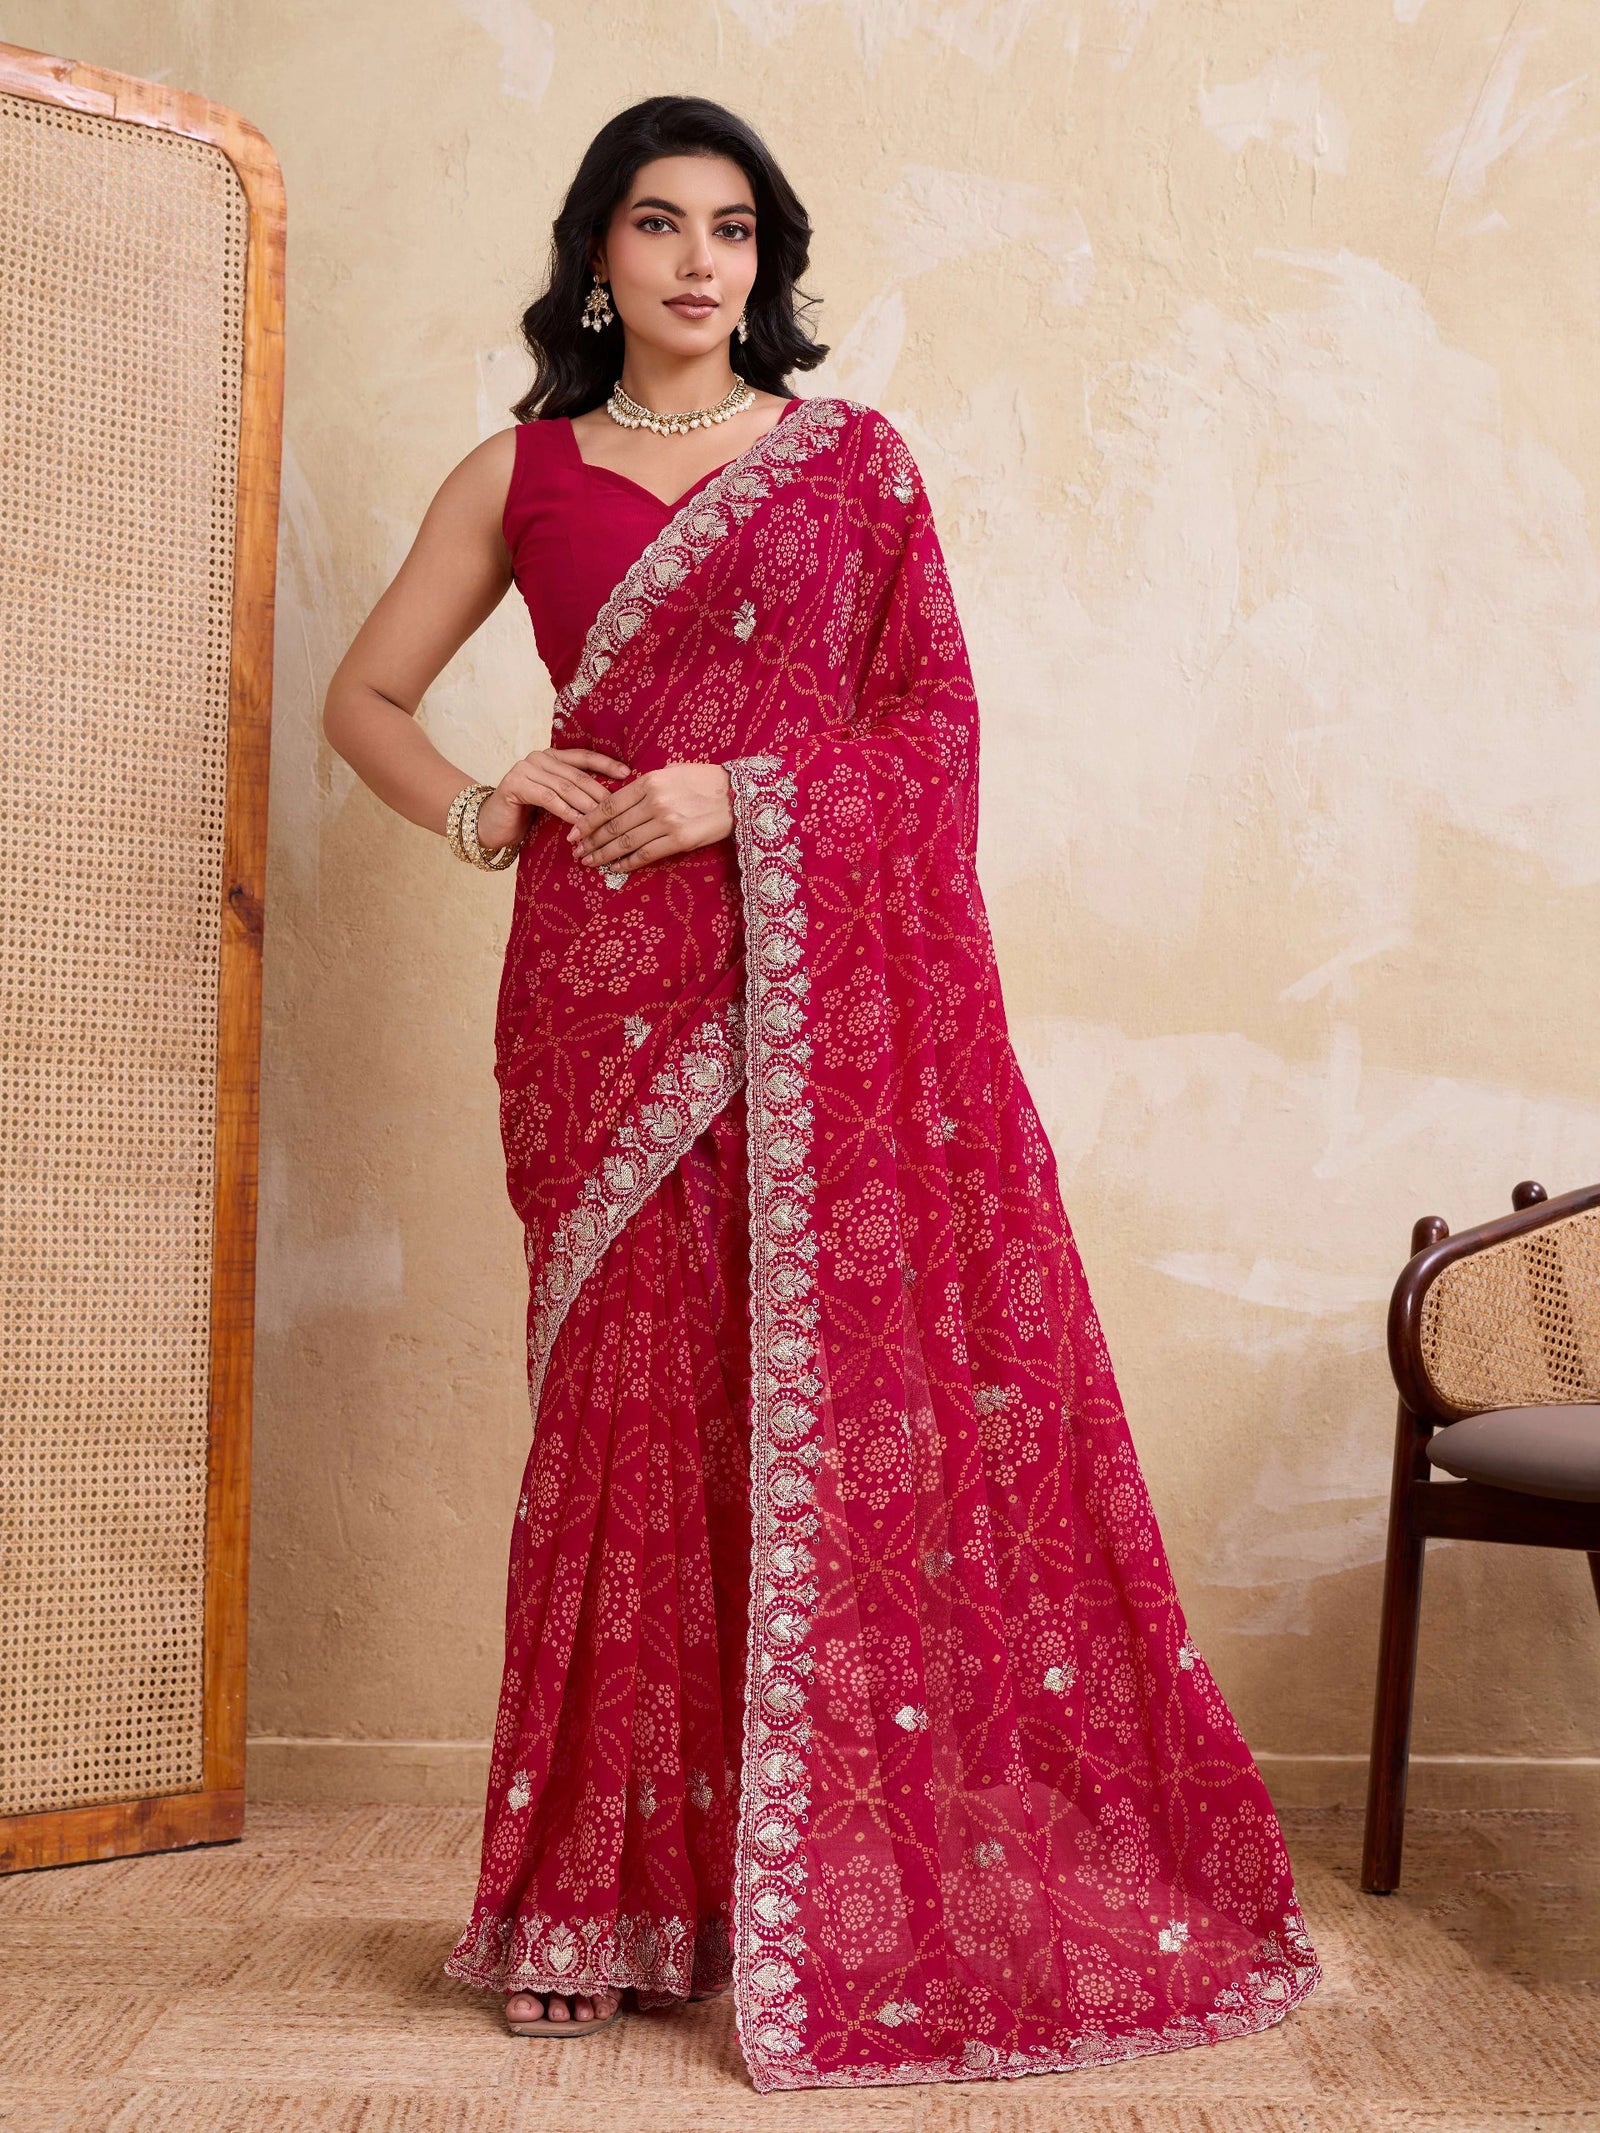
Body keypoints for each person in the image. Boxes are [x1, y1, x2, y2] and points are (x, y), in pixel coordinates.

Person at [321, 93, 1319, 2095]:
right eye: (653, 224)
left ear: (764, 263)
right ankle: (590, 1895)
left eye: (732, 228)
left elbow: (933, 732)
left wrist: (738, 795)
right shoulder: (514, 471)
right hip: (599, 1004)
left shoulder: (849, 469)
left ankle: (777, 1873)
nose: (697, 260)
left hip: (804, 992)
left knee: (805, 1426)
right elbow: (365, 697)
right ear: (592, 258)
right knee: (620, 1432)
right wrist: (480, 801)